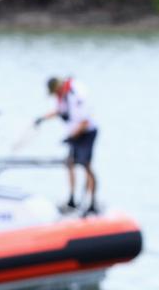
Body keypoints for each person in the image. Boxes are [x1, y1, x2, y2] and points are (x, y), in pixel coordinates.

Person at [35, 76, 100, 215]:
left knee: (86, 166)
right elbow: (60, 111)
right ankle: (72, 199)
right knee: (69, 163)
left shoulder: (76, 93)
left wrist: (70, 137)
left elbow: (85, 122)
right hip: (75, 133)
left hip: (87, 133)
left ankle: (92, 202)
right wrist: (42, 119)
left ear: (59, 87)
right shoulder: (62, 96)